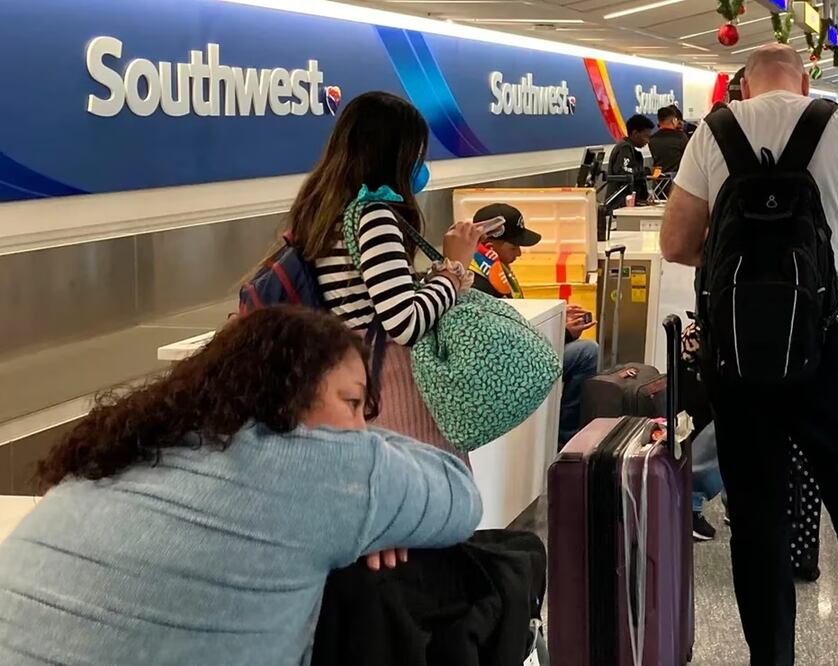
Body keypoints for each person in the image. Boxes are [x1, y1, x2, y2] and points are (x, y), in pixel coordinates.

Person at [659, 44, 838, 665]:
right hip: (827, 339)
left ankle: (773, 656)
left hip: (734, 349)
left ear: (743, 83)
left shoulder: (714, 131)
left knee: (755, 506)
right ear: (807, 78)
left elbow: (677, 242)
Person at [0, 306, 482, 664]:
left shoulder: (130, 449)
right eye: (352, 403)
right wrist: (368, 503)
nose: (360, 431)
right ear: (287, 396)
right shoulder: (315, 471)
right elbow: (460, 495)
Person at [284, 91, 484, 462]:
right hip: (392, 385)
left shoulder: (325, 211)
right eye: (416, 153)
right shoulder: (374, 217)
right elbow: (404, 323)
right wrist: (454, 271)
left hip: (355, 372)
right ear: (394, 154)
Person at [468, 203, 599, 447]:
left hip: (513, 358)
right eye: (514, 245)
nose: (519, 253)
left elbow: (517, 321)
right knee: (587, 353)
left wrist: (555, 315)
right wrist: (564, 335)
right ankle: (565, 444)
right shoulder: (477, 284)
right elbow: (507, 347)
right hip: (501, 371)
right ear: (489, 243)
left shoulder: (491, 271)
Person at [608, 113, 655, 204]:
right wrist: (646, 172)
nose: (647, 141)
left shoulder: (633, 151)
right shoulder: (624, 148)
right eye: (646, 137)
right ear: (635, 133)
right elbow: (624, 172)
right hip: (621, 203)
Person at [649, 105, 689, 174]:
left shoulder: (652, 139)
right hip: (677, 178)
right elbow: (688, 158)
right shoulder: (681, 137)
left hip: (659, 179)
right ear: (674, 120)